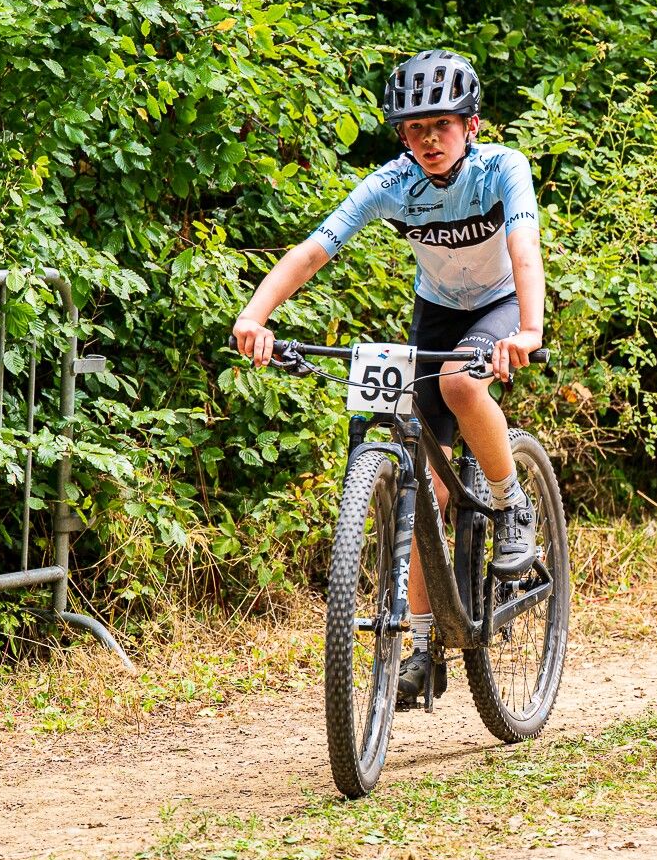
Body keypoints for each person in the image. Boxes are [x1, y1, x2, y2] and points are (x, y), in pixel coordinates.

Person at [233, 48, 544, 708]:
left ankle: (511, 502)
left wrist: (528, 329)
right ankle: (424, 647)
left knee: (461, 384)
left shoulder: (502, 169)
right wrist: (255, 316)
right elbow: (314, 249)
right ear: (403, 136)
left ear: (471, 125)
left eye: (442, 125)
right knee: (427, 487)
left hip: (498, 304)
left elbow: (524, 248)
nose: (429, 139)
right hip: (437, 311)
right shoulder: (392, 184)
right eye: (416, 128)